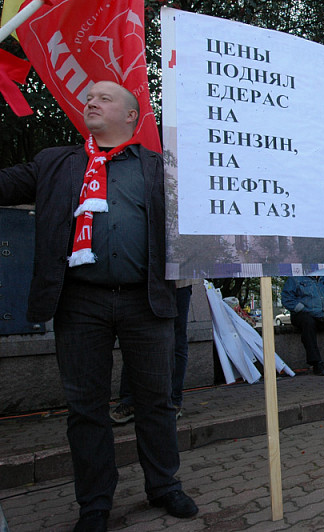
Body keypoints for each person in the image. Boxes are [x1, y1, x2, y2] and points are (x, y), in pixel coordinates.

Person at [0, 81, 197, 531]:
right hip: (78, 303)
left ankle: (164, 486)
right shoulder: (56, 162)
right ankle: (94, 504)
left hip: (145, 302)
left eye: (104, 97)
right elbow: (6, 184)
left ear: (132, 116)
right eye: (89, 97)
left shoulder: (160, 168)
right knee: (86, 409)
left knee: (156, 402)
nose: (91, 101)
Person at [111, 280, 193, 423]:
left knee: (176, 338)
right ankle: (130, 401)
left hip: (178, 280)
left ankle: (173, 400)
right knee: (133, 339)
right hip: (141, 281)